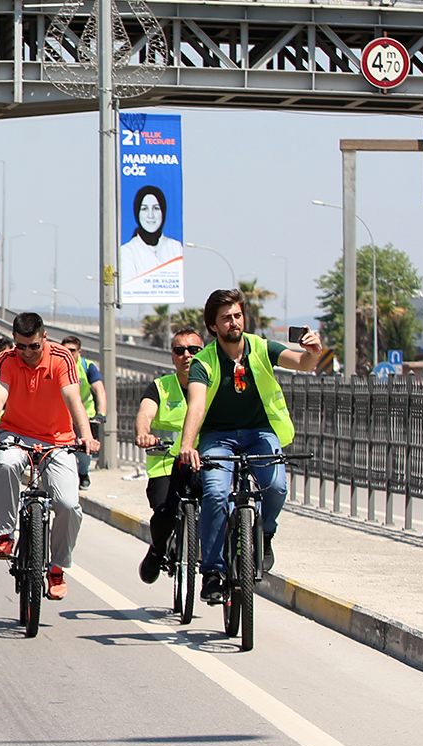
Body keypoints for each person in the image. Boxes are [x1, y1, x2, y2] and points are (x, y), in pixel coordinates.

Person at [176, 288, 322, 605]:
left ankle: (265, 535)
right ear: (213, 326)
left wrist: (314, 351)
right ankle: (212, 571)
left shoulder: (261, 348)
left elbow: (303, 363)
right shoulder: (204, 362)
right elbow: (197, 404)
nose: (234, 322)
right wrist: (189, 445)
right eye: (226, 318)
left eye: (238, 315)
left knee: (277, 486)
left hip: (259, 432)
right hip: (218, 437)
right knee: (215, 493)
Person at [0, 312, 98, 602]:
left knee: (68, 505)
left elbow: (72, 398)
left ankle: (57, 568)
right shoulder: (6, 360)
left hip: (58, 440)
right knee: (4, 464)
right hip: (15, 434)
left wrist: (86, 436)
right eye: (21, 346)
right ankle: (6, 533)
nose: (27, 353)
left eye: (33, 346)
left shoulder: (62, 357)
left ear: (44, 338)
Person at [134, 326, 205, 584]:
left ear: (204, 353)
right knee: (164, 511)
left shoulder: (214, 387)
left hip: (201, 462)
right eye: (180, 350)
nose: (187, 355)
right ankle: (158, 549)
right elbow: (145, 414)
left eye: (194, 350)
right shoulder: (160, 387)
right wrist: (144, 433)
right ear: (172, 356)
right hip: (165, 465)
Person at [60, 335, 108, 489]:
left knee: (84, 449)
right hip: (62, 415)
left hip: (84, 415)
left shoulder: (87, 366)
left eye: (72, 350)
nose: (69, 353)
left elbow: (99, 390)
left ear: (79, 352)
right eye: (65, 350)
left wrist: (101, 413)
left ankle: (83, 473)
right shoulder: (56, 366)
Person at [119, 184, 184, 296]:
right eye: (144, 209)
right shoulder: (127, 251)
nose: (150, 215)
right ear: (137, 212)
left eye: (156, 208)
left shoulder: (175, 247)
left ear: (163, 212)